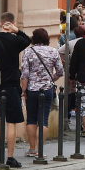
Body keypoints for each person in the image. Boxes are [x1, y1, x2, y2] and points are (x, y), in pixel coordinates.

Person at [0, 12, 30, 168]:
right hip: (11, 85)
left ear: (0, 23)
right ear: (11, 23)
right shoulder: (16, 41)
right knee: (11, 122)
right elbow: (28, 40)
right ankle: (10, 157)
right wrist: (16, 30)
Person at [20, 28, 63, 158]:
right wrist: (52, 78)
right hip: (47, 89)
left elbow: (25, 74)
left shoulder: (28, 52)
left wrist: (23, 90)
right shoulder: (53, 51)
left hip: (32, 90)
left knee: (31, 119)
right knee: (43, 119)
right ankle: (40, 150)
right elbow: (60, 71)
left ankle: (32, 149)